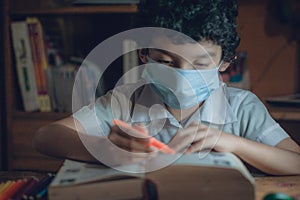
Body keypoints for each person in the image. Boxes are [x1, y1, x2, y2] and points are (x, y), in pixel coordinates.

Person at [33, 0, 300, 175]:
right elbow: (45, 136)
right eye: (165, 61)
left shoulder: (242, 108)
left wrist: (231, 142)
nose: (183, 75)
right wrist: (108, 149)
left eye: (200, 63)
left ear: (225, 62)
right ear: (144, 55)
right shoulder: (126, 101)